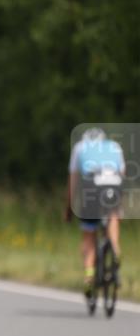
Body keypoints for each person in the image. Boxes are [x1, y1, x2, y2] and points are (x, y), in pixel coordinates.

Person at [65, 127, 125, 298]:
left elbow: (73, 182)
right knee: (113, 218)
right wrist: (119, 206)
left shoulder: (79, 148)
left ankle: (89, 277)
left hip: (92, 186)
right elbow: (123, 176)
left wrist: (68, 209)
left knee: (89, 237)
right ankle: (115, 251)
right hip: (113, 183)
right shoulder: (114, 146)